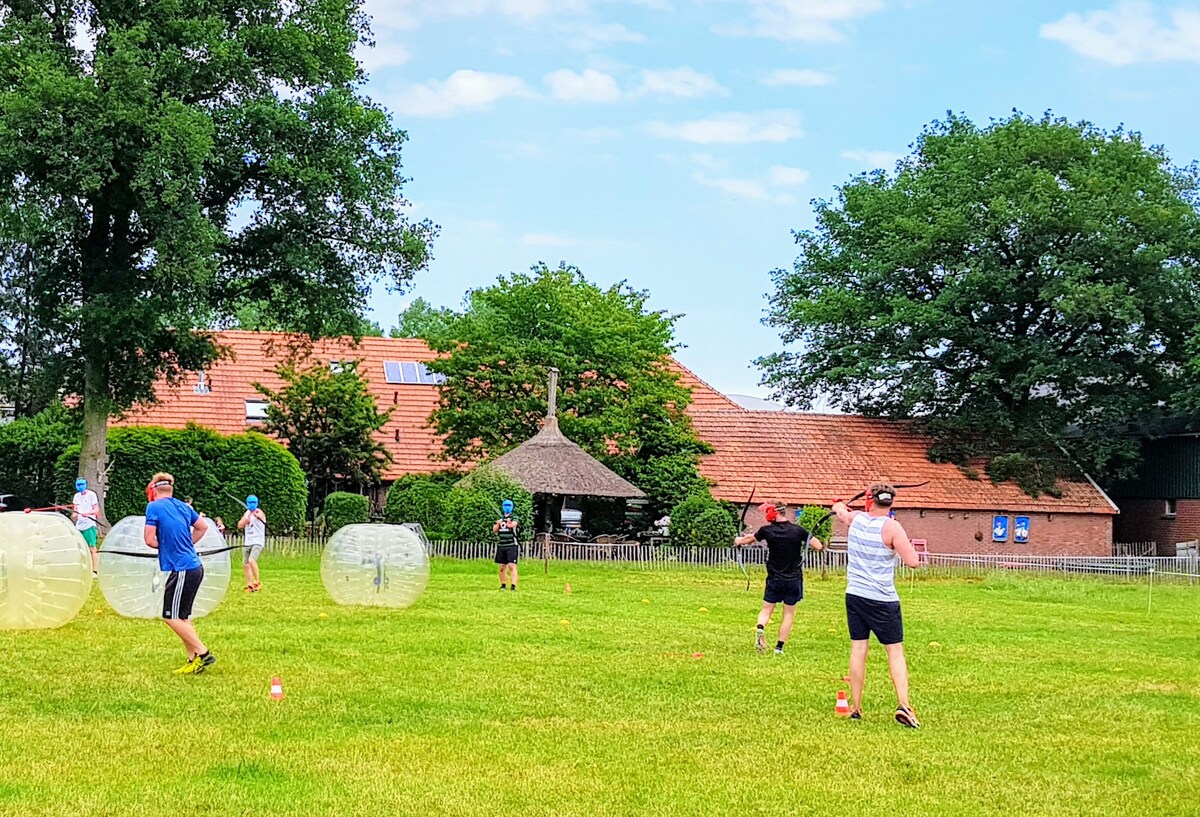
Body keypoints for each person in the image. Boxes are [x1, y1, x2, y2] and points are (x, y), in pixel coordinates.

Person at [832, 483, 922, 728]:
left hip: (855, 596)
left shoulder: (857, 519)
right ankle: (904, 704)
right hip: (883, 599)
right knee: (894, 651)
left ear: (869, 500)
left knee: (859, 648)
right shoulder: (892, 527)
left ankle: (856, 707)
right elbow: (913, 561)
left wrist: (839, 503)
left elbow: (842, 512)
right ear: (890, 502)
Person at [144, 472, 215, 675]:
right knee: (183, 617)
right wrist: (187, 544)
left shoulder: (154, 507)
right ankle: (193, 660)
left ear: (153, 490)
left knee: (170, 616)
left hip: (182, 568)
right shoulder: (184, 507)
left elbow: (149, 539)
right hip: (194, 567)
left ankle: (202, 652)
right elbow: (202, 527)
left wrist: (167, 547)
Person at [734, 501, 823, 655]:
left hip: (774, 578)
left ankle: (761, 627)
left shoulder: (767, 531)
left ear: (773, 513)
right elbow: (818, 546)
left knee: (766, 610)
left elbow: (749, 539)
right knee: (788, 614)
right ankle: (779, 648)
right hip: (793, 579)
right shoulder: (797, 530)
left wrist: (739, 541)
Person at [72, 477, 101, 575]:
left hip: (89, 525)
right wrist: (74, 515)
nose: (80, 487)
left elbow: (96, 510)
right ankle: (82, 568)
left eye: (82, 484)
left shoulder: (92, 495)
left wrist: (87, 513)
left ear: (85, 484)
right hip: (79, 526)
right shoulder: (76, 496)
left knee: (92, 548)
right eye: (78, 485)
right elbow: (75, 510)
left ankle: (95, 570)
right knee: (79, 548)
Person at [238, 495, 266, 592]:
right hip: (248, 542)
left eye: (254, 502)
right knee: (246, 564)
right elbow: (240, 525)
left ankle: (257, 582)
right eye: (250, 503)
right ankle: (249, 585)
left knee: (251, 560)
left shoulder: (259, 511)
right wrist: (246, 520)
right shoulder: (246, 513)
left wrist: (257, 516)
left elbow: (261, 516)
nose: (252, 505)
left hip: (257, 541)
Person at [493, 499, 519, 591]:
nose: (507, 507)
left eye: (509, 505)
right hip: (501, 545)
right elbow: (494, 530)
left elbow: (513, 525)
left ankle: (513, 585)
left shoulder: (514, 517)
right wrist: (499, 523)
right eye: (505, 505)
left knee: (512, 565)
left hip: (511, 545)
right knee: (502, 567)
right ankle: (503, 585)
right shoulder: (500, 519)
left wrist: (507, 522)